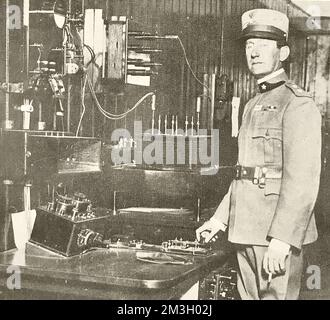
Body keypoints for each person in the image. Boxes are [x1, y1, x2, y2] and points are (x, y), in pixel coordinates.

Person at [196, 8, 322, 300]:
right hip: (245, 229)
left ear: (284, 52)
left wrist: (282, 239)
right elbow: (244, 172)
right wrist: (219, 220)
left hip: (275, 235)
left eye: (264, 44)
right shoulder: (252, 104)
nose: (254, 51)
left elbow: (302, 181)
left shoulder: (298, 104)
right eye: (250, 44)